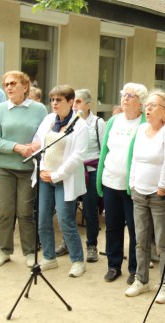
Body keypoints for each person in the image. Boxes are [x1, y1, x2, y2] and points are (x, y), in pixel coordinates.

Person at [126, 90, 165, 303]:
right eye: (146, 105)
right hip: (139, 192)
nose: (147, 109)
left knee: (163, 242)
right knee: (140, 240)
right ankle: (141, 280)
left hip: (160, 195)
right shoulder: (142, 129)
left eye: (153, 105)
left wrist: (162, 187)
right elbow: (135, 159)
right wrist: (132, 183)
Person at [0, 71, 47, 267]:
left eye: (13, 83)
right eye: (6, 84)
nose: (9, 87)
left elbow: (46, 135)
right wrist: (17, 147)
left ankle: (30, 252)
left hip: (29, 168)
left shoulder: (39, 109)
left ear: (25, 86)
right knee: (5, 211)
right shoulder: (0, 109)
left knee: (25, 211)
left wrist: (37, 145)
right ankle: (4, 251)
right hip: (3, 168)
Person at [31, 85, 87, 277]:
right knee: (43, 218)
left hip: (64, 179)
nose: (54, 103)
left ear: (71, 102)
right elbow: (38, 144)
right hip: (44, 176)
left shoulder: (80, 125)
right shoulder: (48, 119)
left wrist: (56, 175)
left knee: (64, 220)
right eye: (52, 100)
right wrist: (41, 168)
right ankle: (49, 257)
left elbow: (78, 156)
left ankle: (77, 260)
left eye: (59, 100)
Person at [96, 83, 147, 283]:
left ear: (140, 102)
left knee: (135, 229)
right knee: (112, 226)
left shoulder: (144, 123)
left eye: (130, 96)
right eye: (124, 95)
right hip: (110, 182)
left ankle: (135, 268)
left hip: (132, 186)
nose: (125, 98)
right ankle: (113, 265)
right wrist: (100, 177)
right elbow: (105, 150)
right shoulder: (113, 121)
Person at [56, 89, 106, 262]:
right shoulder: (69, 122)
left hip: (90, 171)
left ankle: (92, 245)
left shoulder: (98, 123)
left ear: (88, 104)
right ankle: (67, 242)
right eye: (73, 101)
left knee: (90, 211)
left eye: (78, 102)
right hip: (71, 171)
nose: (75, 105)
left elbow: (104, 149)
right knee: (67, 209)